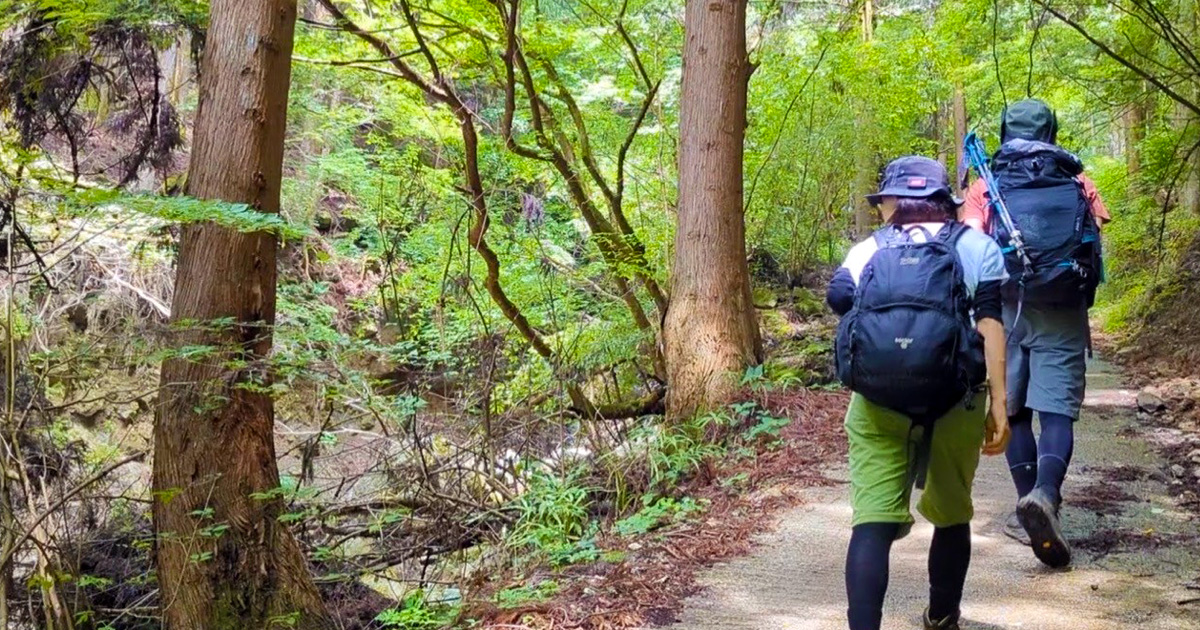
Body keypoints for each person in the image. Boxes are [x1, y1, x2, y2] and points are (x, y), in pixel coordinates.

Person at [827, 156, 1011, 630]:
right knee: (951, 514)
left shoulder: (866, 249)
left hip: (877, 402)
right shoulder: (977, 246)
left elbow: (840, 302)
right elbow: (990, 323)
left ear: (892, 202)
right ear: (942, 201)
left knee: (871, 522)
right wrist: (1000, 404)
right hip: (958, 398)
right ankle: (941, 615)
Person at [961, 98, 1111, 568]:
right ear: (1051, 131)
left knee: (1015, 409)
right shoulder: (1076, 180)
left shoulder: (984, 184)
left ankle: (1028, 500)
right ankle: (1046, 495)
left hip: (1004, 311)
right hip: (1063, 308)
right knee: (1058, 408)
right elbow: (1098, 227)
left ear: (1005, 132)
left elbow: (970, 245)